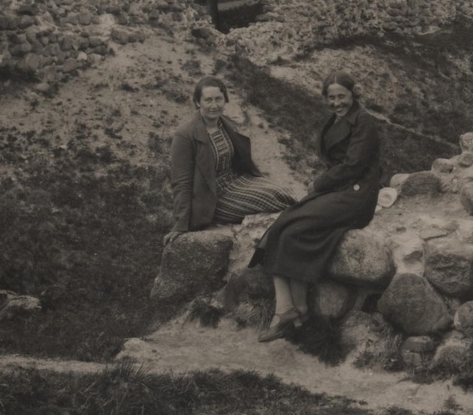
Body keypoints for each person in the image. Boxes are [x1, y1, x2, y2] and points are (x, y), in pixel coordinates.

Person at [250, 72, 381, 342]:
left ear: (352, 94)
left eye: (341, 97)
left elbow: (353, 166)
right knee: (284, 226)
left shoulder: (364, 122)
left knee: (294, 228)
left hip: (357, 194)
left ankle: (295, 311)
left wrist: (319, 183)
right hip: (338, 190)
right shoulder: (336, 120)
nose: (336, 103)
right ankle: (289, 310)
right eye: (331, 98)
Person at [163, 76, 296, 247]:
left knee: (282, 191)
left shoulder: (227, 125)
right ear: (197, 102)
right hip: (213, 197)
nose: (214, 105)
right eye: (208, 100)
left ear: (225, 100)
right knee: (268, 199)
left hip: (237, 181)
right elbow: (181, 182)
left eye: (218, 99)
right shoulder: (185, 135)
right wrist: (181, 224)